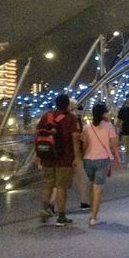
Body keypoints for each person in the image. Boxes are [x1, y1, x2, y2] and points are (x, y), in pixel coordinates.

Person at [35, 93, 81, 226]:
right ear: (67, 104)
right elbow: (75, 139)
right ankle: (61, 217)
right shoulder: (71, 118)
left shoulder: (46, 116)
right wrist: (77, 157)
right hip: (64, 158)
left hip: (47, 157)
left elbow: (38, 134)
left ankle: (45, 209)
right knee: (61, 187)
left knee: (48, 184)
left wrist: (37, 154)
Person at [81, 102, 121, 226]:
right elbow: (114, 145)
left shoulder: (87, 127)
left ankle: (92, 211)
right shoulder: (109, 126)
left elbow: (84, 144)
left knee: (93, 185)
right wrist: (118, 158)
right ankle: (93, 217)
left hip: (88, 160)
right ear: (104, 113)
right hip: (103, 160)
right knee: (98, 189)